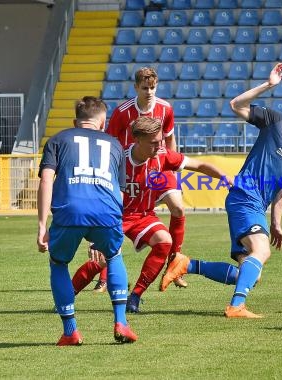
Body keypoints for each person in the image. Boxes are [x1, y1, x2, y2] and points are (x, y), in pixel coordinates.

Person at [162, 62, 282, 318]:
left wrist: (276, 223)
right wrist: (269, 85)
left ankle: (187, 264)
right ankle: (236, 307)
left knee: (250, 275)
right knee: (262, 251)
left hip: (257, 205)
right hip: (245, 197)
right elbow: (236, 105)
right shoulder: (276, 122)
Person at [70, 116, 237, 313]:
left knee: (164, 241)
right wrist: (94, 233)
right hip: (115, 217)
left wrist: (223, 176)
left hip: (143, 215)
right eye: (154, 143)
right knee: (102, 261)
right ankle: (67, 296)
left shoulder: (163, 156)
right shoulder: (116, 159)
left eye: (161, 141)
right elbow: (95, 193)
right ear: (137, 140)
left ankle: (135, 296)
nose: (160, 146)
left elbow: (198, 165)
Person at [37, 96, 137, 345]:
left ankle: (71, 331)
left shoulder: (58, 139)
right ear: (103, 122)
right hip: (107, 211)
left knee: (58, 263)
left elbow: (46, 180)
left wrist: (41, 225)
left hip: (70, 210)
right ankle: (121, 323)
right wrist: (110, 229)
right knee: (113, 256)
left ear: (75, 121)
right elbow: (120, 191)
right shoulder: (115, 145)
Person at [84, 66, 188, 292]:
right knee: (116, 217)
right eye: (145, 88)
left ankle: (174, 262)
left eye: (153, 87)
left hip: (159, 167)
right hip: (128, 170)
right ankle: (104, 277)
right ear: (136, 88)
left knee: (178, 208)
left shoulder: (165, 109)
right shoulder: (123, 112)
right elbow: (109, 144)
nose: (149, 92)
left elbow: (169, 141)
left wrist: (174, 175)